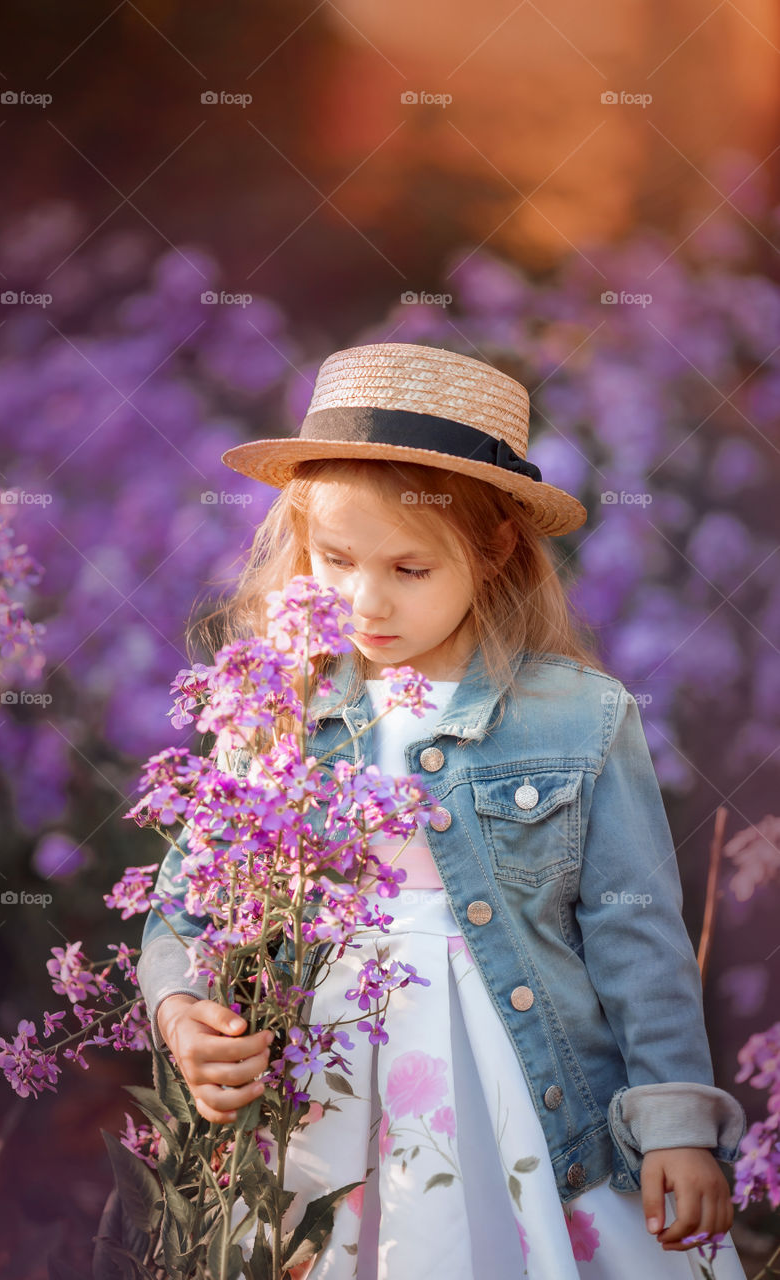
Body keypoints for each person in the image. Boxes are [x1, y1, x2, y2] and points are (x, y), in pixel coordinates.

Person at [137, 342, 747, 1279]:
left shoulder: (579, 717)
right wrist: (183, 1016)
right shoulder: (272, 712)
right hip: (323, 1107)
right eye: (333, 560)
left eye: (409, 569)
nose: (363, 601)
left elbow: (636, 936)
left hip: (519, 1100)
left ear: (496, 546)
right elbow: (185, 907)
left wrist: (672, 1121)